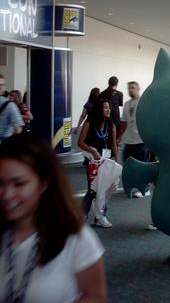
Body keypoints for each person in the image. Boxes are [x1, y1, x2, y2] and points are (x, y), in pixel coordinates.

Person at [0, 133, 106, 302]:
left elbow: (94, 296)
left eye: (19, 184)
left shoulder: (75, 237)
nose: (6, 194)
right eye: (0, 183)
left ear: (43, 183)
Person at [78, 100, 119, 228]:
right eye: (105, 107)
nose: (108, 110)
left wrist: (116, 161)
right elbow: (80, 142)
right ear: (98, 110)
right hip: (94, 161)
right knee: (93, 189)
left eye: (109, 108)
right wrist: (92, 151)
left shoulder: (111, 125)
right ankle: (81, 216)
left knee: (106, 189)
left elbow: (114, 145)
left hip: (107, 161)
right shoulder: (89, 123)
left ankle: (100, 217)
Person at [118, 81, 153, 208]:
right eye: (129, 88)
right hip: (129, 140)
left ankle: (146, 189)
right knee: (127, 165)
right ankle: (134, 185)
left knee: (142, 166)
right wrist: (118, 137)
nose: (130, 90)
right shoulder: (127, 104)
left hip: (141, 140)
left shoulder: (144, 103)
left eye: (133, 88)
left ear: (138, 89)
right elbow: (123, 122)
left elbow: (149, 120)